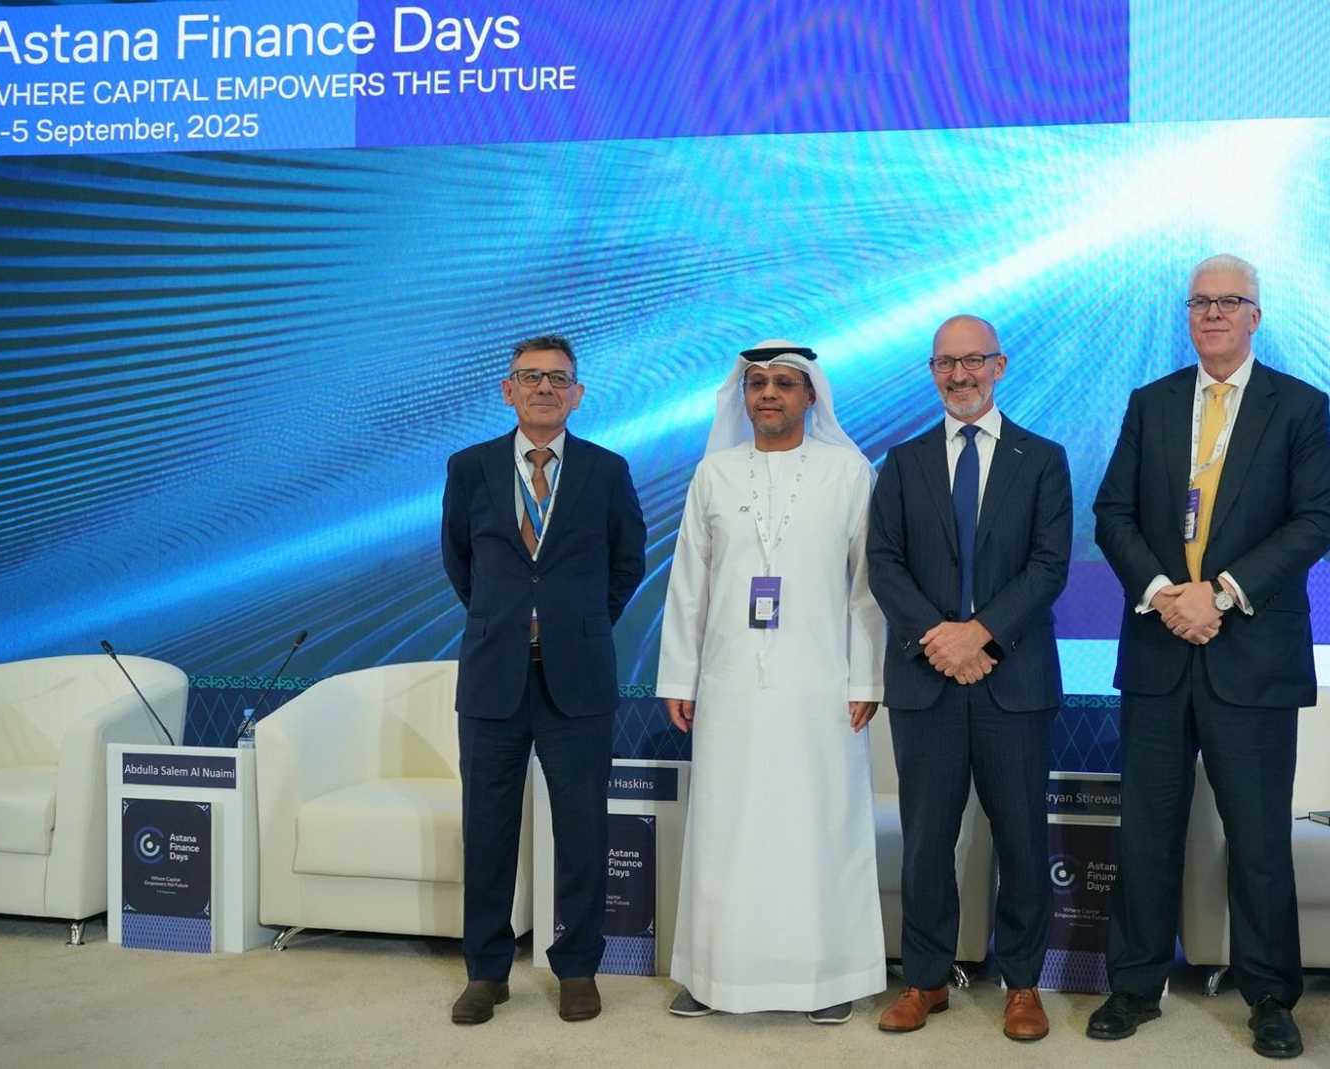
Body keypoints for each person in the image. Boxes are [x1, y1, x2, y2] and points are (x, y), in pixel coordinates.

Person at [1090, 254, 1330, 1058]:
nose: (1214, 313)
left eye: (1230, 301)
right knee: (1145, 831)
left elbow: (1314, 520)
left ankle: (1269, 996)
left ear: (1256, 316)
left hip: (1253, 653)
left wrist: (1221, 593)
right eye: (1200, 302)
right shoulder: (1152, 402)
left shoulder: (1299, 406)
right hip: (1159, 647)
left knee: (1259, 838)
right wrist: (1166, 592)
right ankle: (1134, 986)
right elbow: (1113, 512)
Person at [656, 340, 886, 1024]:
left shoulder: (848, 472)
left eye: (785, 383)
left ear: (810, 396)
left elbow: (867, 587)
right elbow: (689, 583)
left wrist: (867, 677)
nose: (768, 394)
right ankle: (713, 975)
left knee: (820, 826)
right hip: (729, 683)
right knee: (725, 826)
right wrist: (679, 675)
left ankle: (830, 978)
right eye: (757, 383)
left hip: (821, 683)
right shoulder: (715, 474)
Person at [866, 315, 1073, 1042]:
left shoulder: (1042, 458)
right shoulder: (902, 462)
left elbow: (1048, 565)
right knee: (926, 839)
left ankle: (1022, 984)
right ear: (932, 371)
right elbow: (884, 563)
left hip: (1012, 680)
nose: (960, 375)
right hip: (925, 681)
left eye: (973, 361)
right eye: (945, 363)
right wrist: (940, 639)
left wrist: (978, 634)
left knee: (1021, 838)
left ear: (999, 365)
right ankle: (925, 978)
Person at [440, 333, 647, 1025]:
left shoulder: (606, 470)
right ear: (508, 390)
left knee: (583, 829)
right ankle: (486, 971)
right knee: (487, 829)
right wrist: (505, 620)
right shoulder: (468, 468)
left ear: (577, 393)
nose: (544, 388)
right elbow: (461, 562)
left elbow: (628, 560)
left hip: (577, 680)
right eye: (530, 377)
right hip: (492, 677)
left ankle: (578, 967)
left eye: (558, 378)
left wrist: (577, 624)